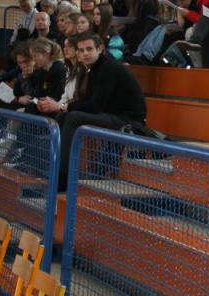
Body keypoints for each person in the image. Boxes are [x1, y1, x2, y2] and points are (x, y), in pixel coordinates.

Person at [42, 32, 146, 188]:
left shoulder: (108, 68)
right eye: (81, 50)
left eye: (89, 49)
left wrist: (64, 106)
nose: (85, 53)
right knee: (63, 116)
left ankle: (63, 177)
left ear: (100, 49)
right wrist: (64, 108)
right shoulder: (93, 68)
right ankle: (54, 168)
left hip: (128, 121)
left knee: (72, 117)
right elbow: (89, 103)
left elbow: (95, 106)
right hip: (111, 114)